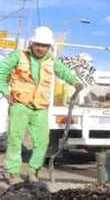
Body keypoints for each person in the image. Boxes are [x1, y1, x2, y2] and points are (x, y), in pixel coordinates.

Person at [0, 26, 83, 185]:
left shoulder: (52, 60)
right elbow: (1, 71)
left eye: (44, 45)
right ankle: (13, 173)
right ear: (32, 43)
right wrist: (5, 91)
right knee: (14, 140)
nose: (40, 48)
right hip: (20, 105)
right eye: (38, 44)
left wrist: (76, 82)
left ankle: (33, 172)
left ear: (49, 46)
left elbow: (64, 72)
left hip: (40, 108)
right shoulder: (19, 55)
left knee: (42, 142)